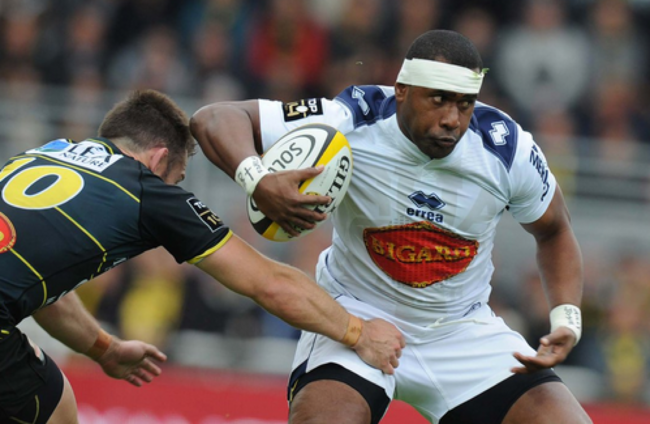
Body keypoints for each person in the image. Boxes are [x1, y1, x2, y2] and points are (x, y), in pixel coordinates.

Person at [190, 30, 593, 424]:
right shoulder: (353, 117)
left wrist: (566, 318)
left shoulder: (507, 148)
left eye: (465, 104)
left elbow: (554, 229)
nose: (452, 119)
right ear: (401, 90)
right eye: (439, 99)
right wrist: (257, 180)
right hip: (354, 314)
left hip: (461, 330)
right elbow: (214, 118)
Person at [0, 89, 404, 424]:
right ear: (159, 158)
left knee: (51, 397)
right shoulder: (146, 190)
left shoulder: (39, 155)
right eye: (177, 178)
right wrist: (358, 332)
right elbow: (267, 283)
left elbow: (40, 290)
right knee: (57, 409)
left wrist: (104, 348)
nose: (174, 187)